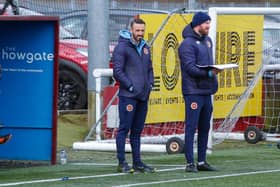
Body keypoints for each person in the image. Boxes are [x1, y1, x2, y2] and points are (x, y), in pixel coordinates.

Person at [178, 12, 221, 172]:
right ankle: (190, 163)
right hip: (193, 91)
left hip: (206, 91)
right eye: (206, 23)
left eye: (209, 23)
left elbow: (208, 64)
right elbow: (189, 68)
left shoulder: (208, 41)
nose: (208, 26)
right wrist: (209, 73)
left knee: (205, 127)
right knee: (191, 127)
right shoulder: (187, 44)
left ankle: (202, 161)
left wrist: (214, 74)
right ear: (198, 24)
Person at [112, 18, 155, 173]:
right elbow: (117, 71)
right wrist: (130, 86)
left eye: (142, 30)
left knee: (137, 131)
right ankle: (122, 162)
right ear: (131, 29)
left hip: (143, 96)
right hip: (128, 96)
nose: (140, 33)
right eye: (137, 30)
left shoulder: (145, 47)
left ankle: (137, 162)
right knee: (124, 128)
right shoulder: (121, 48)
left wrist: (150, 83)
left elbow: (150, 68)